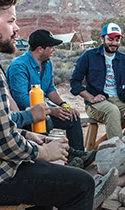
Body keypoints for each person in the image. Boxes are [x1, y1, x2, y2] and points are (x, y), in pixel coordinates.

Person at [0, 0, 122, 210]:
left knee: (47, 166)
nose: (17, 29)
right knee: (79, 185)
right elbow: (4, 141)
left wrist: (33, 139)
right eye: (12, 21)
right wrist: (41, 150)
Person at [6, 29, 95, 168]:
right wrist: (51, 111)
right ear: (40, 49)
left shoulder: (47, 63)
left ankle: (78, 158)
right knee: (46, 119)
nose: (54, 49)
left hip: (43, 109)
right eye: (51, 47)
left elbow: (50, 89)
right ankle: (48, 163)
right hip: (24, 115)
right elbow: (22, 100)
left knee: (72, 117)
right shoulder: (19, 66)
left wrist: (63, 105)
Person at [70, 23, 125, 140]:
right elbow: (75, 82)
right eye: (110, 39)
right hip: (96, 103)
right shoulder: (89, 56)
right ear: (102, 38)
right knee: (112, 111)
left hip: (120, 101)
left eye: (117, 40)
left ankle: (115, 144)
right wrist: (91, 98)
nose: (114, 43)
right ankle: (117, 150)